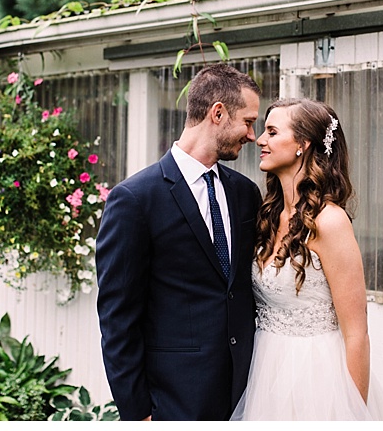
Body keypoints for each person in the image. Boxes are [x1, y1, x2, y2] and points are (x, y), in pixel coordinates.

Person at [95, 63, 263, 420]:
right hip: (174, 400)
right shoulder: (135, 199)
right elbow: (117, 319)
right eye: (248, 121)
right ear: (218, 113)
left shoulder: (246, 194)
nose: (252, 135)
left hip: (248, 393)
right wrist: (138, 412)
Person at [231, 98, 383, 420]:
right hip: (265, 372)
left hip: (317, 380)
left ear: (302, 145)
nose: (260, 140)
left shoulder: (330, 222)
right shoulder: (267, 213)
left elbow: (356, 334)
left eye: (272, 132)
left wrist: (353, 414)